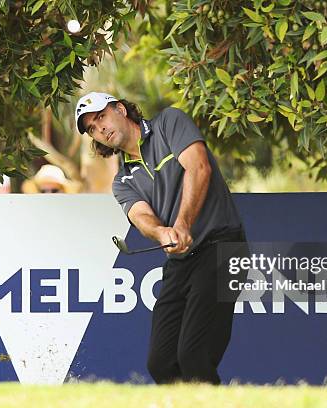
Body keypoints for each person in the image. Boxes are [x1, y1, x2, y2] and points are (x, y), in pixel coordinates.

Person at [75, 91, 248, 384]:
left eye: (101, 116)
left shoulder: (169, 123)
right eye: (92, 128)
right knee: (162, 362)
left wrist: (181, 224)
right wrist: (161, 232)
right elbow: (141, 217)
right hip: (180, 262)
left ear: (120, 109)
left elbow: (199, 167)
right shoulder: (122, 181)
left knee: (195, 356)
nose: (100, 129)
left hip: (222, 248)